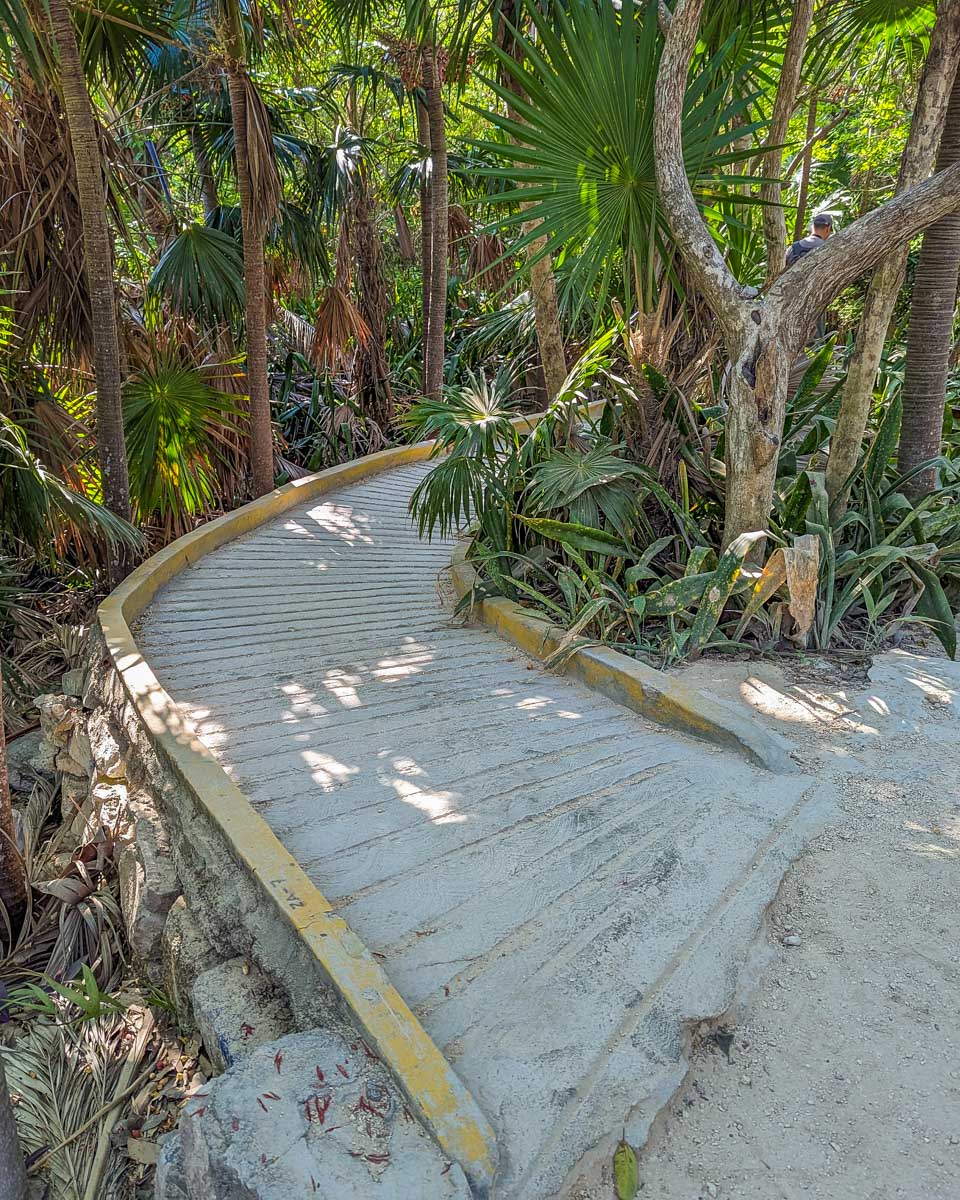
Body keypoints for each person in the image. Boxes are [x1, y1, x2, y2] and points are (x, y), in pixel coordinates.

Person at [786, 213, 834, 339]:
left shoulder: (793, 248)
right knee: (815, 342)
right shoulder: (828, 248)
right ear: (827, 228)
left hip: (793, 303)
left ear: (812, 226)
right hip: (816, 302)